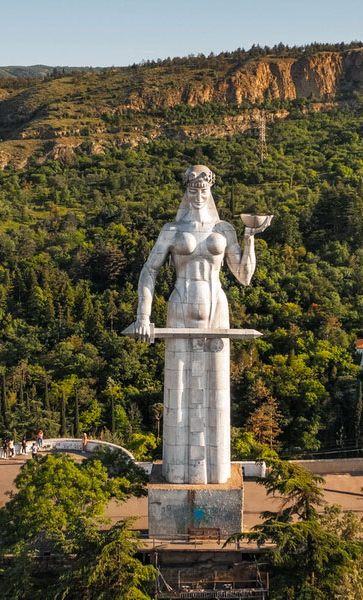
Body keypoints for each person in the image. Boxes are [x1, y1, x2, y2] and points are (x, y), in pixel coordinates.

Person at [127, 165, 270, 485]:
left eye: (203, 189)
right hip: (179, 310)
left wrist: (250, 239)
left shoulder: (225, 229)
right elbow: (148, 271)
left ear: (211, 189)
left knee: (216, 398)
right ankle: (177, 473)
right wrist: (143, 317)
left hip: (217, 312)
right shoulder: (171, 230)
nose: (198, 194)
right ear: (186, 190)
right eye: (192, 188)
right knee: (178, 394)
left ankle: (215, 471)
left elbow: (244, 277)